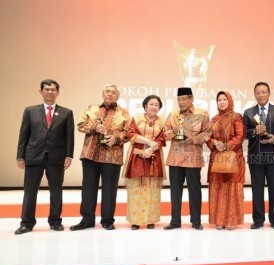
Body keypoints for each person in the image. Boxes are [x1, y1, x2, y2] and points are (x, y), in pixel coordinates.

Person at [15, 79, 75, 234]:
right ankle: (27, 222)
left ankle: (55, 221)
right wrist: (20, 156)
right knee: (30, 191)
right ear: (41, 91)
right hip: (33, 156)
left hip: (56, 157)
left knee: (56, 191)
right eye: (47, 89)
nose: (50, 92)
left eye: (53, 89)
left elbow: (70, 137)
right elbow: (24, 135)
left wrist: (69, 155)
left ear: (58, 92)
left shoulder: (66, 112)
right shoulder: (30, 111)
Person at [70, 84, 130, 231]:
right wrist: (94, 128)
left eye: (113, 92)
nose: (110, 94)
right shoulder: (92, 108)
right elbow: (80, 125)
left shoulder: (124, 113)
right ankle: (87, 220)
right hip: (90, 154)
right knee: (88, 189)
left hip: (112, 156)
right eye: (107, 91)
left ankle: (107, 220)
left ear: (118, 96)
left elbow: (128, 133)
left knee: (110, 190)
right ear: (103, 94)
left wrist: (116, 138)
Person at [163, 87, 212, 231]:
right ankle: (175, 221)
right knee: (175, 191)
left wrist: (193, 139)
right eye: (179, 99)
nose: (181, 102)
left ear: (191, 99)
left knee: (195, 190)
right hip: (175, 158)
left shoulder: (202, 114)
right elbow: (165, 134)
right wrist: (174, 132)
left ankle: (196, 221)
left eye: (184, 99)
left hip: (193, 158)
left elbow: (208, 133)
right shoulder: (172, 115)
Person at [243, 82, 274, 229]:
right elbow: (243, 133)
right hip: (255, 157)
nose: (261, 95)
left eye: (264, 92)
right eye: (258, 92)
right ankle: (258, 220)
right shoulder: (249, 112)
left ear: (269, 93)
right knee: (257, 190)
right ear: (254, 94)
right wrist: (254, 131)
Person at [122, 95, 166, 230]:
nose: (154, 107)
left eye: (157, 105)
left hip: (154, 156)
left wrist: (151, 148)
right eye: (151, 104)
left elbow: (162, 139)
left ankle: (151, 219)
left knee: (153, 188)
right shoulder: (136, 119)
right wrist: (148, 143)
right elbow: (130, 134)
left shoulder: (163, 122)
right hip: (137, 156)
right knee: (136, 187)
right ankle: (135, 220)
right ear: (145, 106)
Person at [206, 91, 245, 230]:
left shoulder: (237, 117)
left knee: (232, 187)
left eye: (224, 99)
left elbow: (240, 136)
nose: (221, 102)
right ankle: (219, 220)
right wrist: (214, 143)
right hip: (217, 156)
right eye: (219, 100)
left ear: (230, 101)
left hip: (233, 157)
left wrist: (226, 145)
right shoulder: (214, 118)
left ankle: (231, 220)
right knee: (218, 187)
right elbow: (208, 136)